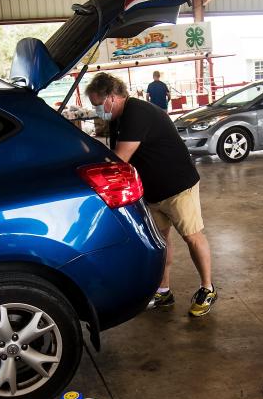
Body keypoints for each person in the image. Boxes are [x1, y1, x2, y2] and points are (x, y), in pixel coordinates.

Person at [86, 72, 217, 317]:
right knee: (160, 242)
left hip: (178, 186)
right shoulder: (119, 117)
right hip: (152, 190)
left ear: (112, 97)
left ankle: (207, 288)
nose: (96, 110)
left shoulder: (137, 112)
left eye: (97, 104)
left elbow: (120, 159)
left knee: (192, 236)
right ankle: (163, 291)